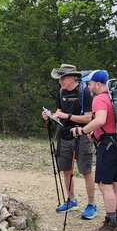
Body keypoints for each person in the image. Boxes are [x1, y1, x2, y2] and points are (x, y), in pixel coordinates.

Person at [70, 70, 117, 231]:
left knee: (104, 185)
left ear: (98, 84)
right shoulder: (113, 97)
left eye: (90, 83)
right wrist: (94, 133)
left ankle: (111, 224)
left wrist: (81, 130)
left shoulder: (100, 99)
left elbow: (100, 120)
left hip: (107, 147)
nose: (88, 86)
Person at [41, 64, 98, 220]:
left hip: (82, 135)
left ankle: (92, 204)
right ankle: (71, 200)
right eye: (59, 79)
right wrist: (50, 116)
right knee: (66, 169)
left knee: (86, 171)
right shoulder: (60, 93)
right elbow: (60, 114)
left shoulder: (84, 92)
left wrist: (67, 116)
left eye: (63, 79)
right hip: (65, 135)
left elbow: (88, 118)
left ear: (72, 78)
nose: (60, 82)